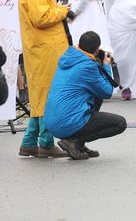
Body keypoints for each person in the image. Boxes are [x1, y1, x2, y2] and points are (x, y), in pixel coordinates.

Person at [17, 0, 71, 158]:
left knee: (41, 97)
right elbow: (42, 17)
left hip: (43, 50)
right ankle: (45, 143)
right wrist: (63, 10)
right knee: (48, 97)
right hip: (44, 51)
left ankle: (29, 142)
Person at [44, 31, 127, 160]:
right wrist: (106, 65)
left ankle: (78, 144)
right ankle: (74, 142)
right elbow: (107, 92)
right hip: (67, 123)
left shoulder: (68, 57)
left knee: (95, 94)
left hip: (51, 121)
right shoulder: (87, 65)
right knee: (120, 123)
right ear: (97, 49)